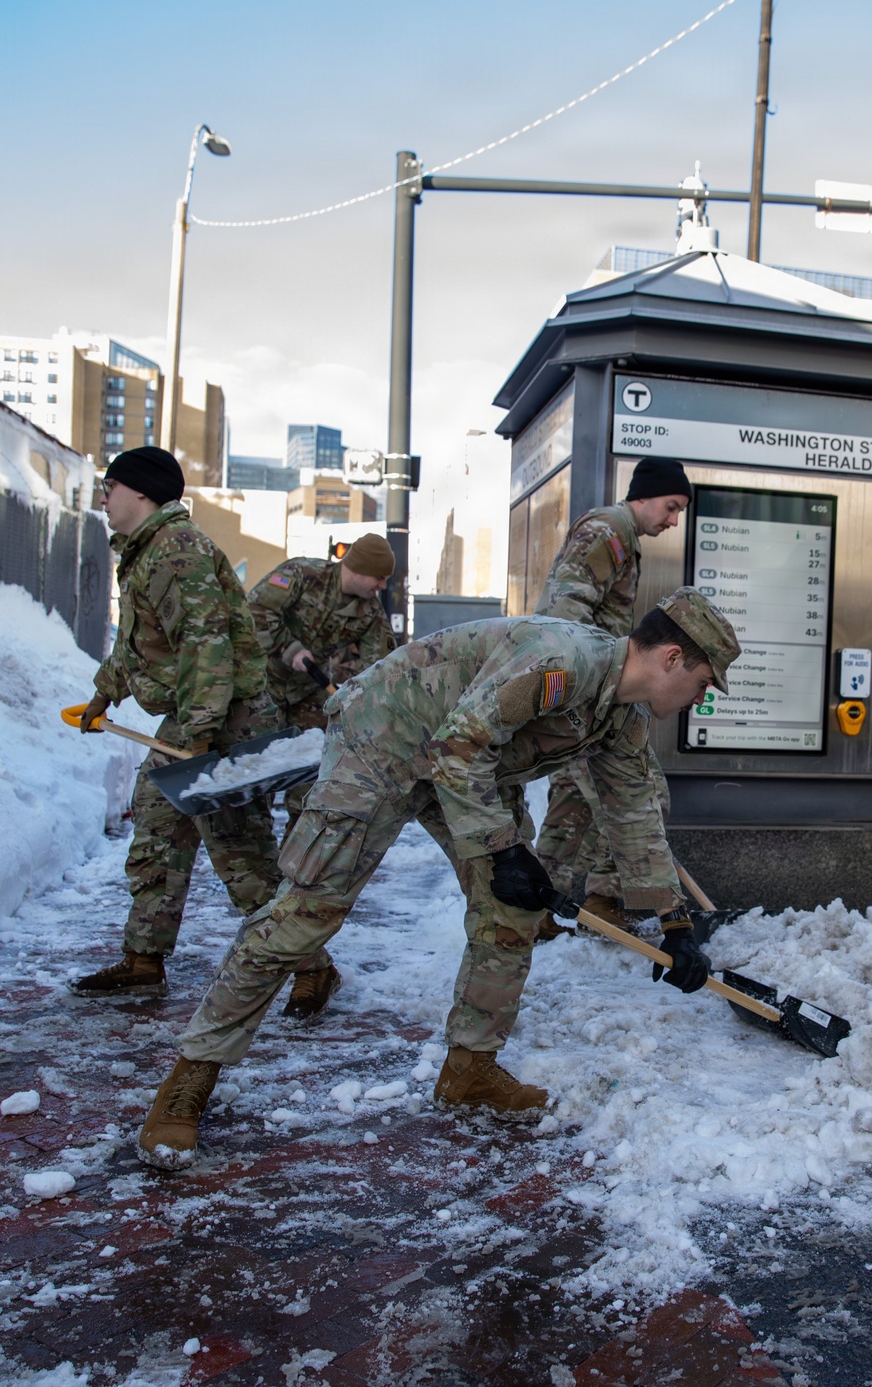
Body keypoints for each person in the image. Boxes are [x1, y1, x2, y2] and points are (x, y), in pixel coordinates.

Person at [137, 587, 740, 1172]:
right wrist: (504, 849)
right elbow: (458, 745)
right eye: (705, 681)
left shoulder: (620, 717)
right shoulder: (564, 662)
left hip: (466, 764)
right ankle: (189, 1078)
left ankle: (468, 1070)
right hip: (386, 738)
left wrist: (674, 924)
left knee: (510, 915)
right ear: (671, 658)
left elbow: (633, 812)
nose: (702, 696)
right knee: (305, 915)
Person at [69, 447, 332, 1022]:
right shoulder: (147, 553)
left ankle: (314, 967)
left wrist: (198, 737)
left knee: (244, 861)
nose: (104, 500)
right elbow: (140, 642)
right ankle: (143, 959)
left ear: (139, 492)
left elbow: (206, 647)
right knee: (158, 835)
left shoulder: (177, 551)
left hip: (224, 722)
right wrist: (102, 695)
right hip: (196, 717)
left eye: (108, 488)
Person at [533, 456, 692, 939]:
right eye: (670, 506)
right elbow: (564, 611)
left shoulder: (620, 536)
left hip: (580, 692)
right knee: (644, 792)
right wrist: (585, 691)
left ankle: (532, 910)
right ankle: (604, 898)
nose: (673, 520)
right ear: (643, 496)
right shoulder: (609, 531)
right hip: (584, 696)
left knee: (570, 803)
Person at [246, 533, 396, 845]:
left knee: (314, 774)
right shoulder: (301, 574)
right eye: (379, 578)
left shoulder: (370, 613)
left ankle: (296, 859)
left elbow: (380, 668)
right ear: (357, 568)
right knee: (254, 775)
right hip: (261, 686)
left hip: (307, 693)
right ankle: (254, 853)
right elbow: (256, 612)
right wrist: (290, 649)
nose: (382, 586)